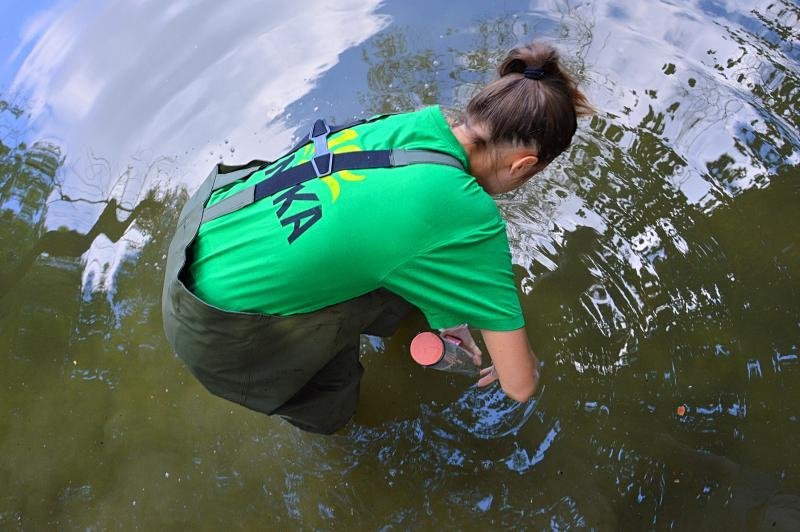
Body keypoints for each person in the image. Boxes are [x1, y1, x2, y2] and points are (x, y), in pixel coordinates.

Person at [162, 41, 593, 434]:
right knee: (331, 402)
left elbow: (410, 232)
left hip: (209, 228)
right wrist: (528, 365)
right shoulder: (470, 217)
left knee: (386, 276)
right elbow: (518, 386)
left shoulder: (420, 125)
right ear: (523, 165)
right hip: (217, 329)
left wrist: (452, 320)